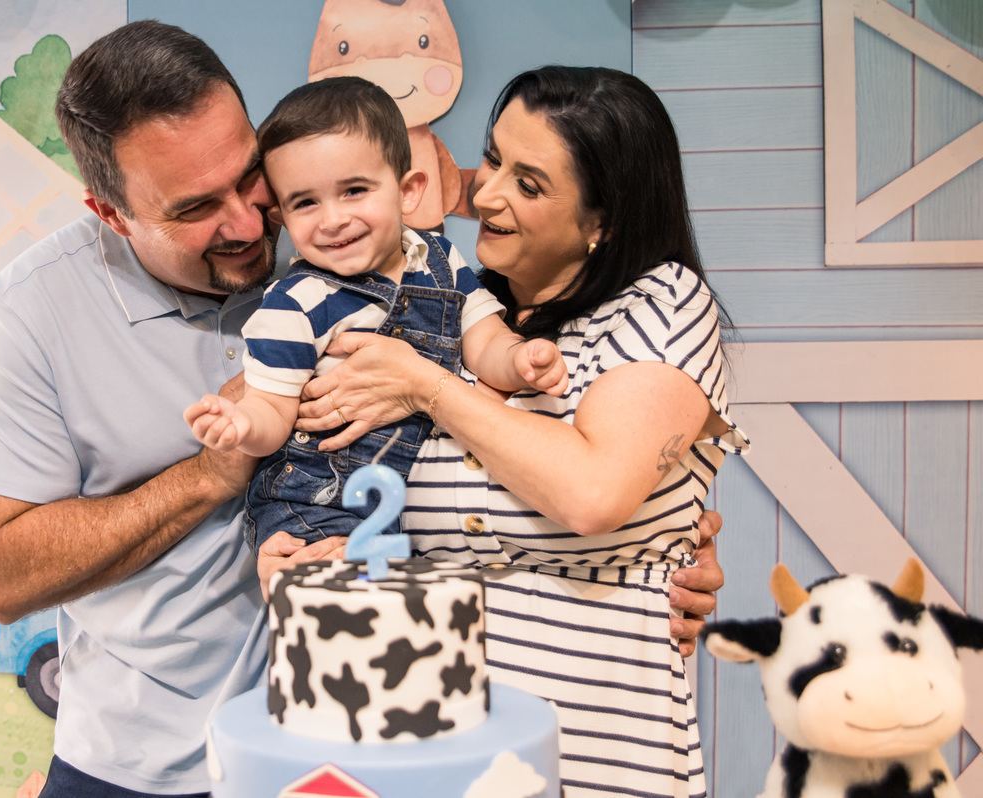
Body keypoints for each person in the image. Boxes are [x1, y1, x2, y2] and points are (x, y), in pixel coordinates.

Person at [0, 19, 723, 797]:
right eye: (196, 209)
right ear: (111, 212)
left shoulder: (360, 246)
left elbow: (542, 467)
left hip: (370, 744)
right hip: (152, 762)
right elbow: (1, 576)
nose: (252, 223)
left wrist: (660, 541)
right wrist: (211, 474)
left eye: (250, 179)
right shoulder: (38, 309)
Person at [262, 66, 750, 797]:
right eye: (492, 158)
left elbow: (593, 494)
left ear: (602, 220)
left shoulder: (661, 302)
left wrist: (426, 386)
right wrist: (302, 544)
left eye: (529, 183)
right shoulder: (438, 305)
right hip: (432, 743)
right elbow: (321, 443)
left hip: (595, 741)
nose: (484, 193)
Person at [185, 76, 567, 552]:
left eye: (354, 191)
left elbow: (485, 339)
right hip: (316, 503)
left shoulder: (441, 261)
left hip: (412, 508)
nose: (332, 218)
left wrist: (520, 358)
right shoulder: (295, 303)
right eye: (305, 202)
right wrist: (242, 426)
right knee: (344, 608)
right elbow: (272, 410)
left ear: (408, 191)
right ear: (281, 216)